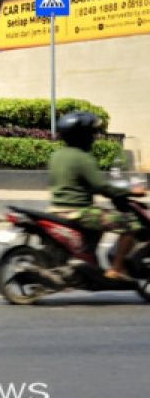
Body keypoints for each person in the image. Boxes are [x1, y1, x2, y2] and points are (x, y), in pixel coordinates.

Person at [48, 110, 145, 282]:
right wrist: (131, 191)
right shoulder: (83, 158)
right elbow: (100, 186)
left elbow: (75, 184)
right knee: (131, 224)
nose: (94, 137)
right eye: (91, 134)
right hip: (78, 212)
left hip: (56, 210)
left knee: (101, 215)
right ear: (82, 136)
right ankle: (116, 269)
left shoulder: (56, 156)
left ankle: (88, 258)